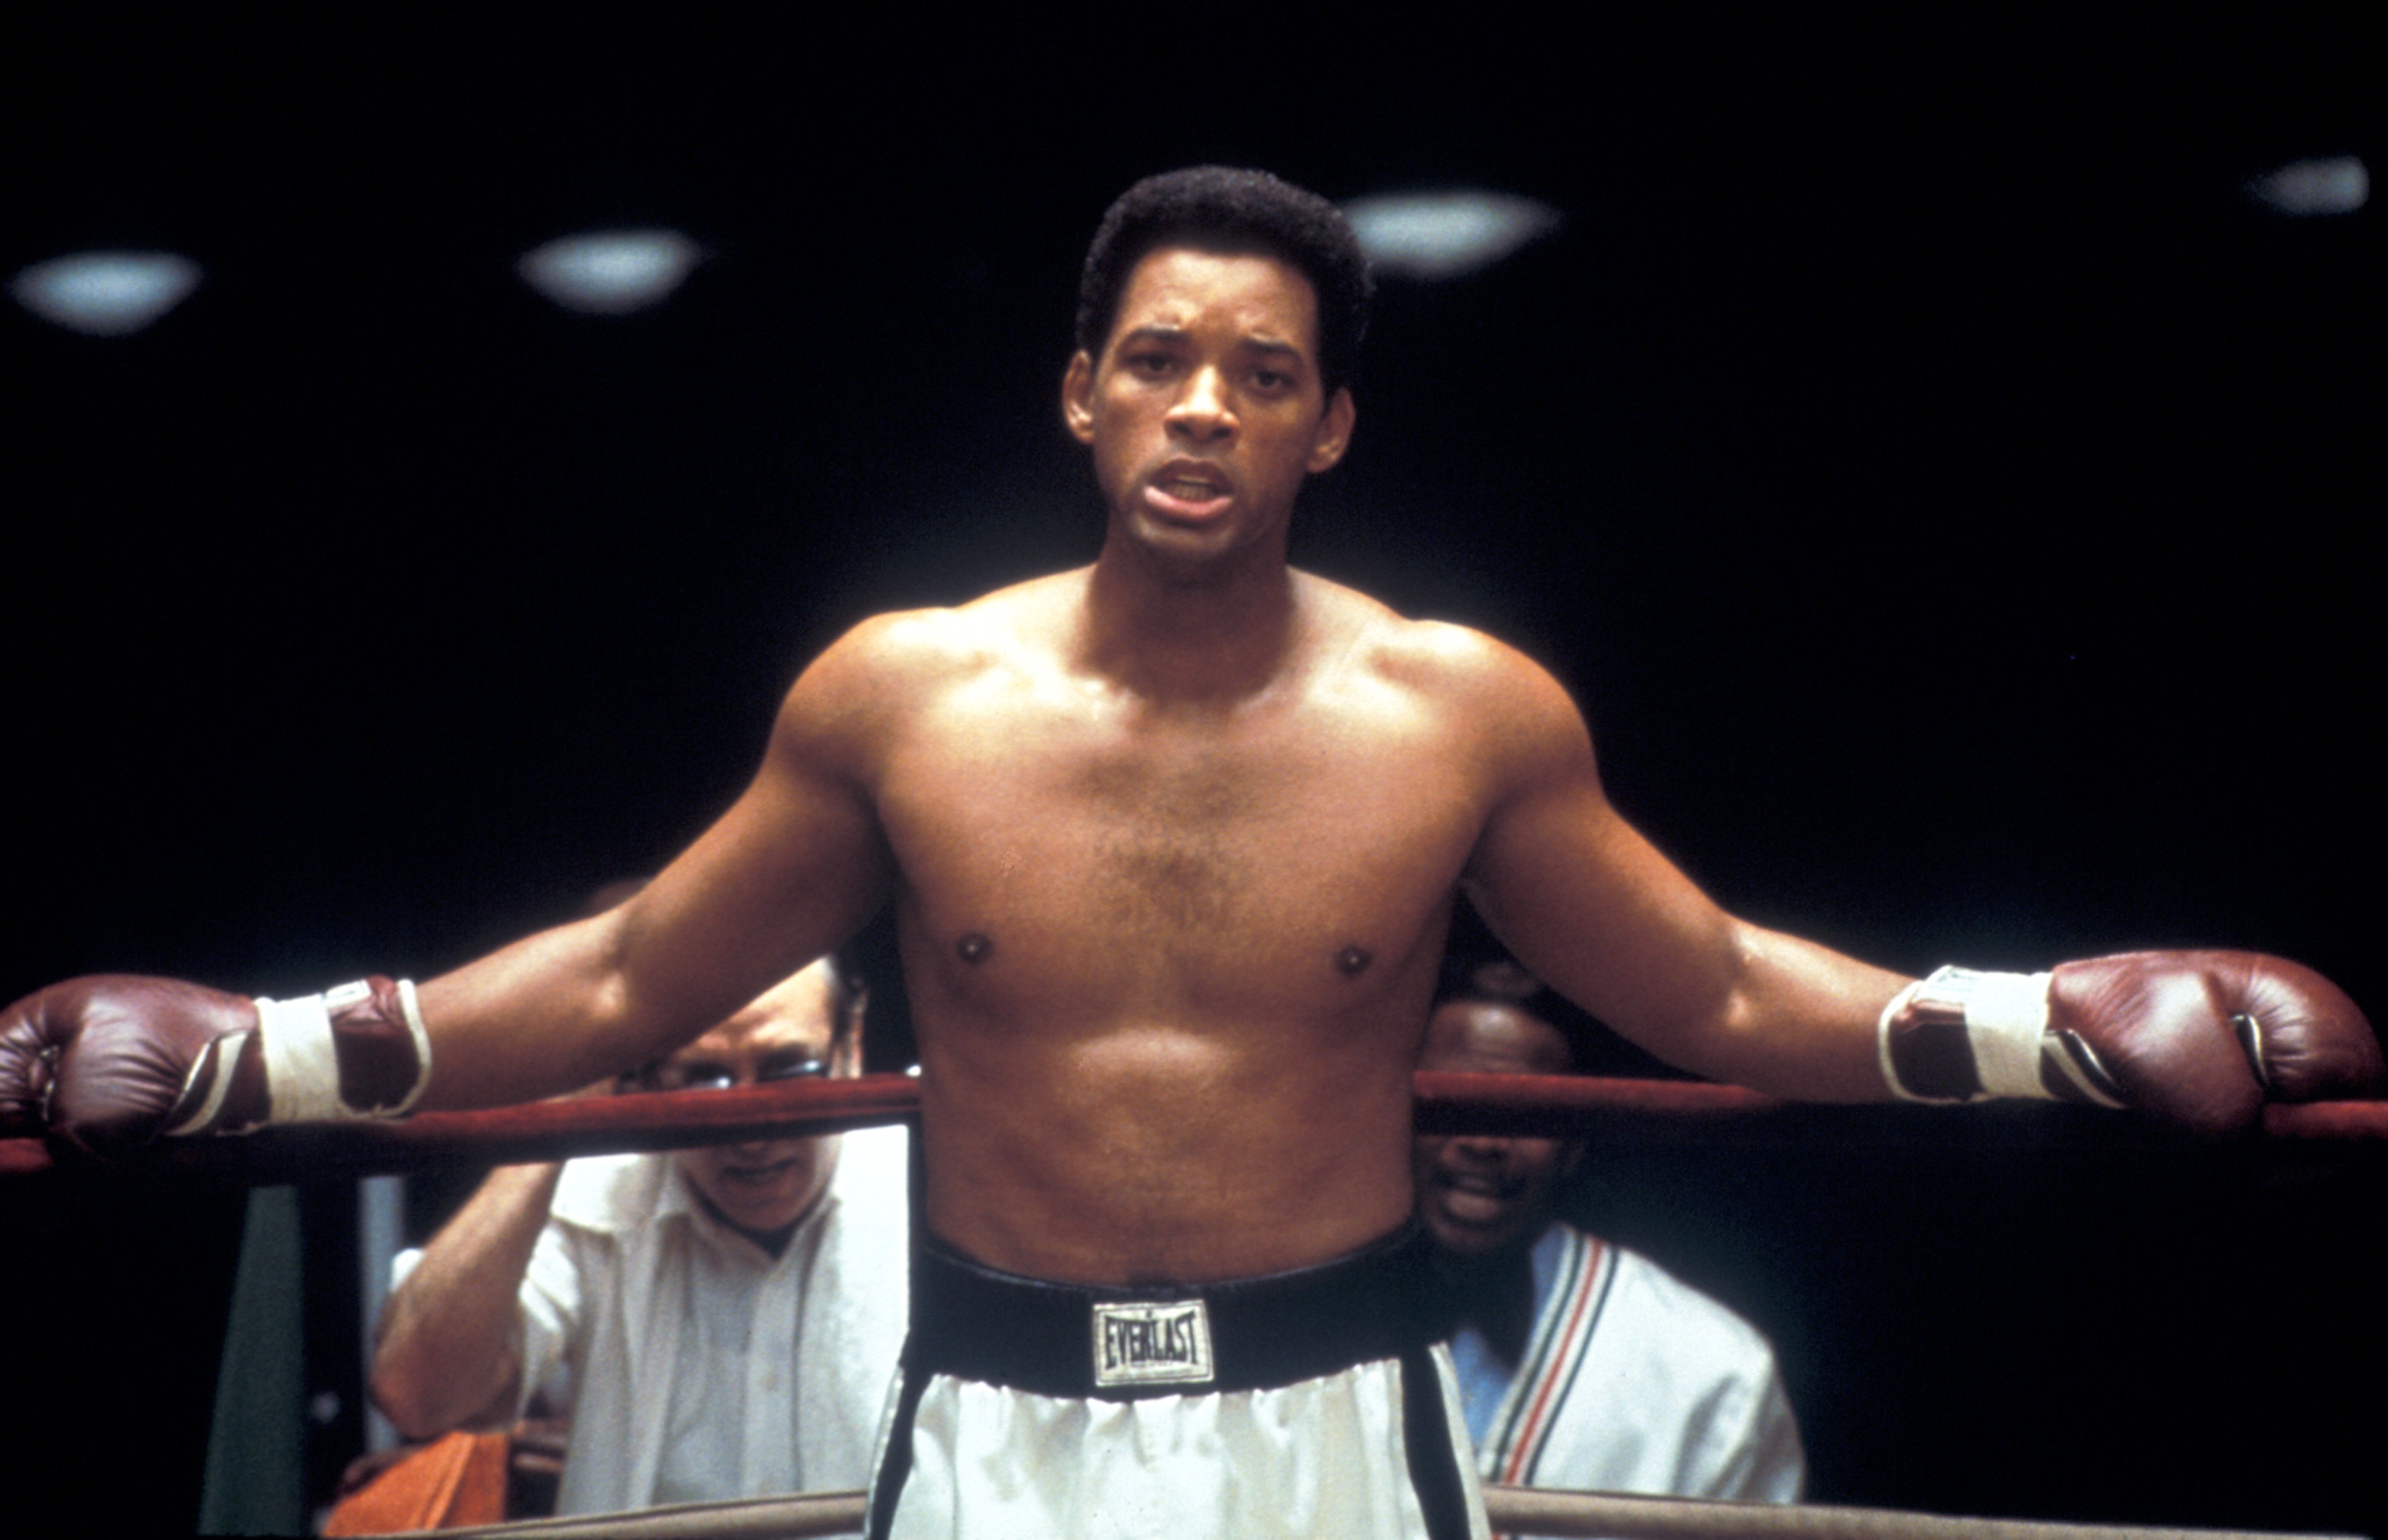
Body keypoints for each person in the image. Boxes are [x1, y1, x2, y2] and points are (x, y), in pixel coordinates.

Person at [3, 166, 2378, 1540]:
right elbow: (630, 971)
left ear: (1330, 420)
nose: (1202, 407)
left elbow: (1726, 995)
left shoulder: (1455, 711)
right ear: (1078, 389)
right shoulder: (900, 696)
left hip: (1336, 1420)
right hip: (999, 1417)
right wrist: (258, 1068)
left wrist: (2051, 1033)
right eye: (1158, 356)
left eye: (1259, 369)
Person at [366, 953, 907, 1516]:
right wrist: (559, 1116)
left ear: (852, 1048)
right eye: (704, 1081)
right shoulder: (602, 1187)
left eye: (787, 1070)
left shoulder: (937, 1183)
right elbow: (415, 1393)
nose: (752, 1135)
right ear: (646, 1076)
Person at [1416, 965, 1804, 1507]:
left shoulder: (1710, 1369)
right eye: (1456, 1106)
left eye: (1522, 1114)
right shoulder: (1287, 1311)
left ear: (1574, 1145)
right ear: (1388, 1113)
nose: (1484, 1141)